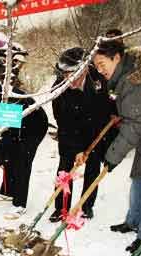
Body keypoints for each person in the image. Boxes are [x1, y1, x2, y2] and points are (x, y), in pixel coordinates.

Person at [49, 47, 117, 222]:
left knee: (92, 168)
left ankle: (86, 205)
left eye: (73, 73)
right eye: (64, 73)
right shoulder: (59, 88)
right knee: (64, 169)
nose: (68, 78)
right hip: (69, 132)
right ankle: (61, 207)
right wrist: (77, 148)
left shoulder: (100, 79)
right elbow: (63, 122)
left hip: (95, 131)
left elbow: (106, 107)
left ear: (85, 68)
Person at [92, 40, 141, 253]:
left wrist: (113, 155)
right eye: (96, 65)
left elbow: (136, 123)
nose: (100, 69)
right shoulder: (126, 77)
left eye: (102, 63)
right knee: (140, 180)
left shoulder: (135, 81)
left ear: (116, 57)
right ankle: (133, 221)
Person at [0, 73, 48, 217]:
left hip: (34, 126)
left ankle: (19, 204)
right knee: (9, 157)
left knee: (22, 161)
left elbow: (7, 135)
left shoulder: (7, 99)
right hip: (18, 128)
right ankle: (7, 192)